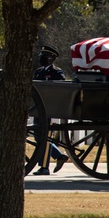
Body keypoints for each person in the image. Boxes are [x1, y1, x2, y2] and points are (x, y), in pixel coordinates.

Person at [32, 45, 68, 175]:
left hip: (49, 108)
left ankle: (44, 167)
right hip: (38, 108)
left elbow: (60, 88)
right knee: (38, 136)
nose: (41, 58)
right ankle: (58, 156)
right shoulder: (38, 72)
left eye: (44, 56)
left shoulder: (57, 73)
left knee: (44, 136)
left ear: (51, 58)